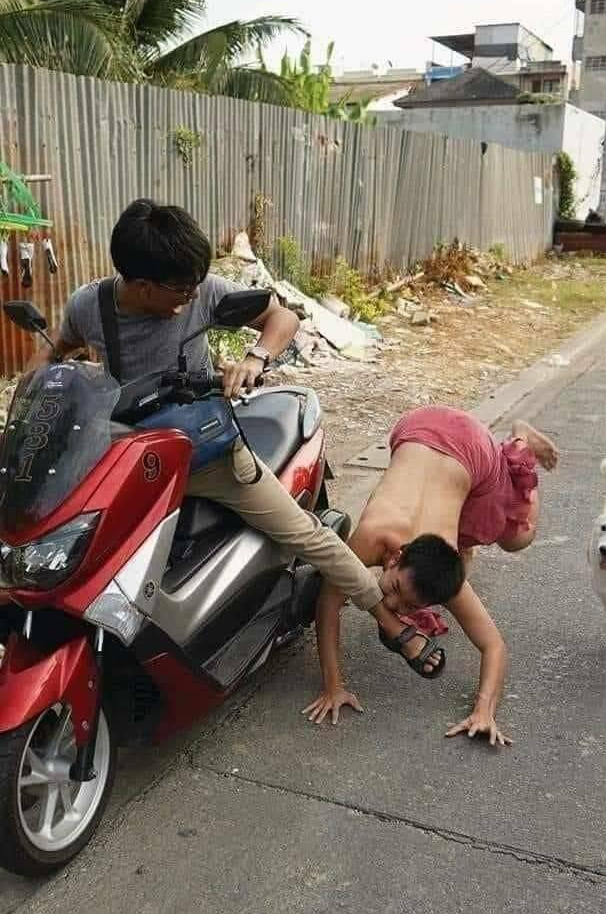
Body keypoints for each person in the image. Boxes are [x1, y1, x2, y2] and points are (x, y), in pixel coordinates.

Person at [27, 198, 386, 621]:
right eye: (182, 288)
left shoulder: (204, 292)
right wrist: (34, 397)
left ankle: (383, 610)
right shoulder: (89, 306)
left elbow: (282, 318)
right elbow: (54, 351)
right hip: (130, 457)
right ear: (142, 286)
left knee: (300, 532)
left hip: (205, 449)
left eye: (195, 284)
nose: (193, 294)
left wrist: (255, 359)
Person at [303, 404, 559, 746]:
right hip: (423, 429)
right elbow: (328, 602)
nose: (390, 604)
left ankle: (521, 447)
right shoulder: (371, 538)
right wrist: (333, 686)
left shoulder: (447, 580)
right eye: (395, 588)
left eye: (408, 606)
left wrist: (484, 712)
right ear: (395, 557)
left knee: (517, 538)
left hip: (453, 438)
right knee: (474, 524)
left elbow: (494, 645)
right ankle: (516, 452)